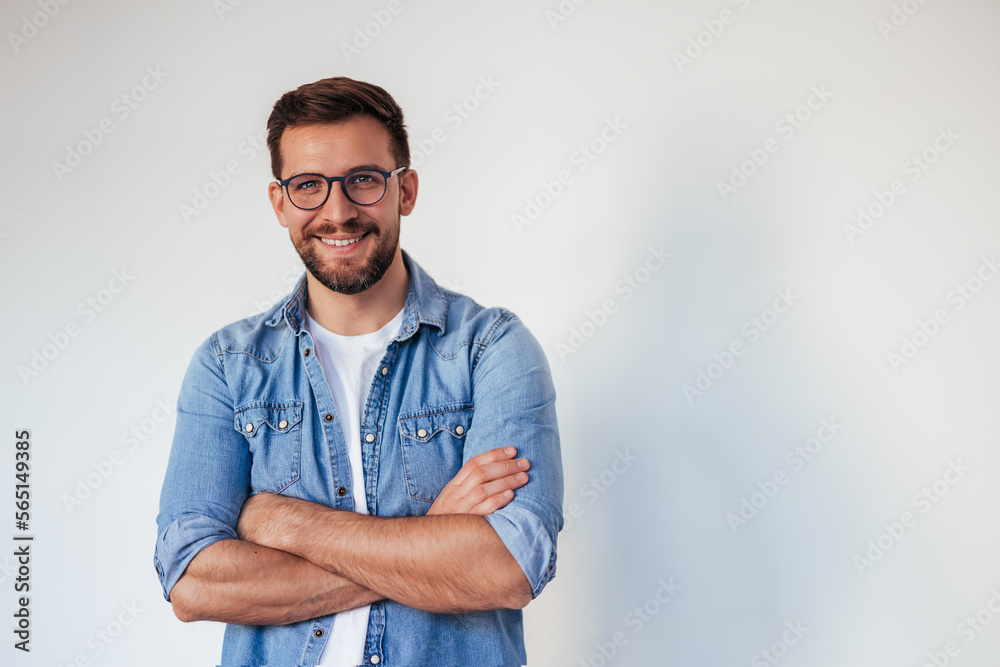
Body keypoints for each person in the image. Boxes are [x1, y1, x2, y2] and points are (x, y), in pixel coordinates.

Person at [153, 76, 564, 667]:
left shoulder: (490, 349)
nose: (338, 212)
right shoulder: (229, 366)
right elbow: (194, 583)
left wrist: (283, 521)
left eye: (364, 181)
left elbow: (506, 567)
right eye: (309, 187)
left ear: (407, 190)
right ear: (279, 203)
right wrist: (433, 531)